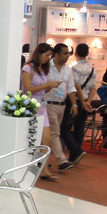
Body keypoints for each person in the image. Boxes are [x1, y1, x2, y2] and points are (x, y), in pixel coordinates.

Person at [22, 43, 60, 181]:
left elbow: (43, 89)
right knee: (31, 140)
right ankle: (30, 167)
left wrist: (50, 86)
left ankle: (43, 169)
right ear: (39, 54)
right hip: (31, 107)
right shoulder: (28, 68)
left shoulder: (42, 69)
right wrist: (48, 85)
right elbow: (28, 89)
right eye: (46, 55)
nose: (48, 58)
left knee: (47, 139)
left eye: (50, 56)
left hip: (42, 107)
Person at [43, 44, 79, 172]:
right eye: (65, 53)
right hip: (48, 104)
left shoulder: (68, 70)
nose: (68, 56)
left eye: (68, 53)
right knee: (55, 132)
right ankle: (61, 160)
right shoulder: (46, 67)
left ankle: (42, 160)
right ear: (57, 55)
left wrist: (74, 104)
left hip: (61, 105)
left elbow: (71, 88)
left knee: (48, 134)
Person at [61, 43, 94, 168]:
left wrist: (81, 102)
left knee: (65, 127)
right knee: (79, 128)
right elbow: (94, 88)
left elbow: (76, 86)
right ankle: (75, 154)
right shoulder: (92, 69)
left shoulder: (74, 68)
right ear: (87, 53)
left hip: (75, 101)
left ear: (76, 53)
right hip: (85, 101)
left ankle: (76, 151)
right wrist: (88, 102)